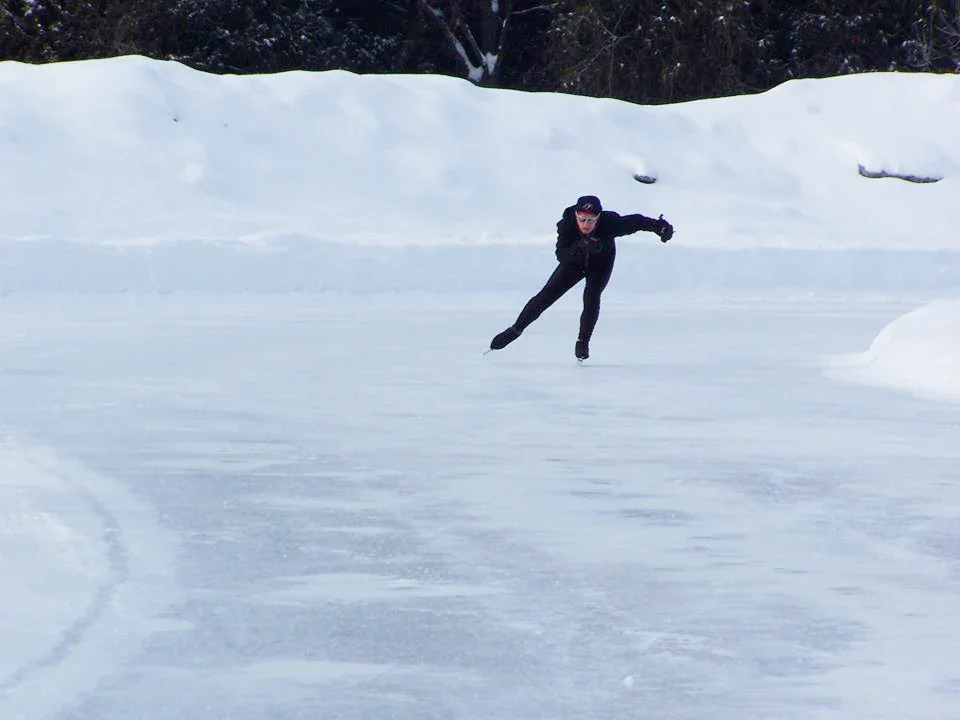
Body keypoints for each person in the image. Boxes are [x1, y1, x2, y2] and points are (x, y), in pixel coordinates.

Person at [489, 195, 673, 360]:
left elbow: (637, 222)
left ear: (598, 218)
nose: (586, 224)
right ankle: (515, 329)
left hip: (600, 265)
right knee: (545, 297)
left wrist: (660, 227)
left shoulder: (610, 223)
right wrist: (581, 246)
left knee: (591, 297)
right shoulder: (567, 225)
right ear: (576, 216)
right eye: (582, 219)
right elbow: (561, 255)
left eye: (591, 220)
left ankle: (583, 341)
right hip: (573, 262)